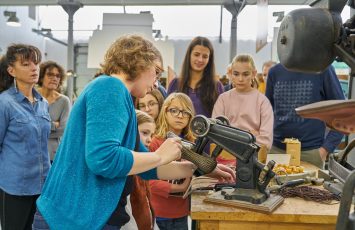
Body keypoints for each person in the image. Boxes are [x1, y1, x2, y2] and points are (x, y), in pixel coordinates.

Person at [33, 35, 234, 230]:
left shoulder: (122, 98)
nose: (156, 83)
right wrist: (159, 155)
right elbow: (102, 158)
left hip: (84, 217)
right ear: (139, 63)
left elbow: (145, 166)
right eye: (156, 71)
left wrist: (199, 169)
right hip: (70, 219)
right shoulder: (109, 87)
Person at [0, 44, 51, 230]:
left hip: (42, 184)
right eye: (26, 64)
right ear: (11, 70)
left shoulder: (43, 103)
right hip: (15, 186)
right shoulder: (4, 103)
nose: (34, 68)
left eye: (36, 63)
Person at [265, 63, 345, 169]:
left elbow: (343, 115)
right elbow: (267, 113)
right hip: (276, 150)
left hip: (311, 153)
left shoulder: (323, 69)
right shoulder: (274, 72)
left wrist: (325, 150)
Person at [212, 54, 273, 165]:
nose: (240, 79)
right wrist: (251, 134)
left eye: (245, 74)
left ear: (254, 74)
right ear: (231, 74)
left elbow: (266, 142)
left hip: (253, 162)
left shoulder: (263, 102)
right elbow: (215, 135)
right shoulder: (223, 100)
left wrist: (231, 133)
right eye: (236, 74)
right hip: (224, 163)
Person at [149, 93, 196, 230]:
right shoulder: (155, 142)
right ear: (165, 112)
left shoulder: (191, 144)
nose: (180, 116)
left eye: (185, 112)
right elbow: (149, 181)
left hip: (181, 213)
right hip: (159, 213)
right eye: (174, 110)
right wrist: (179, 188)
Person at [167, 36, 224, 117]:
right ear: (189, 55)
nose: (200, 59)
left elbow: (220, 119)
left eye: (205, 56)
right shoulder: (175, 84)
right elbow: (166, 114)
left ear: (209, 60)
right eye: (196, 55)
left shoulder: (216, 87)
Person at [128, 110, 158, 230]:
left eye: (151, 135)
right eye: (145, 133)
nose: (150, 140)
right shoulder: (127, 170)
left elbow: (147, 205)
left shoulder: (144, 166)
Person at [38, 61, 71, 162]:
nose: (54, 78)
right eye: (50, 74)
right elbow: (25, 127)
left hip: (53, 155)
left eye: (57, 76)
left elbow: (63, 129)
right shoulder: (32, 96)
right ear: (41, 77)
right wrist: (53, 125)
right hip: (31, 153)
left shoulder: (64, 101)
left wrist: (37, 126)